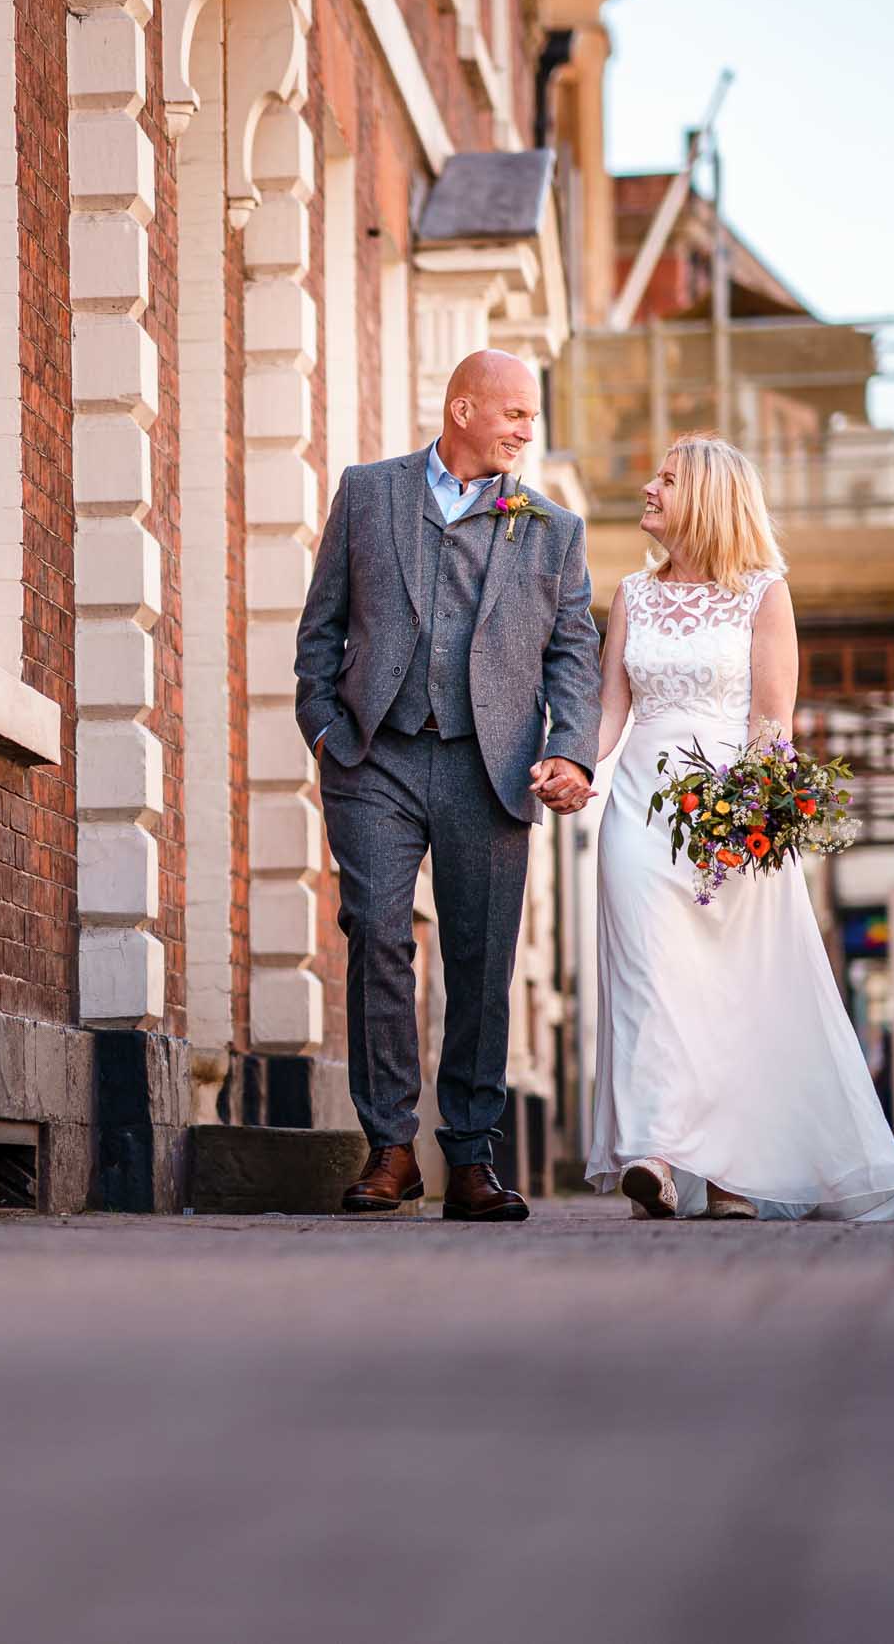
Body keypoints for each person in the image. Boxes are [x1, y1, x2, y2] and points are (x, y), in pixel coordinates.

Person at [292, 349, 601, 1222]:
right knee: (378, 933)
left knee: (480, 958)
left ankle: (470, 1156)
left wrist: (571, 750)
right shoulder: (368, 491)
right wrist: (324, 727)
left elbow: (573, 653)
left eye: (532, 418)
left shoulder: (552, 530)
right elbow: (321, 628)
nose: (526, 430)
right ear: (462, 408)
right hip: (373, 756)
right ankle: (390, 1147)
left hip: (489, 763)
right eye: (514, 413)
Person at [584, 435, 894, 1222]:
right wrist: (573, 764)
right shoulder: (632, 593)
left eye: (666, 478)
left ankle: (734, 1172)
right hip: (638, 806)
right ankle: (654, 1156)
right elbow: (609, 711)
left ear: (704, 495)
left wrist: (754, 815)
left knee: (729, 992)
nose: (648, 486)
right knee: (647, 978)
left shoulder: (763, 594)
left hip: (730, 814)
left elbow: (773, 721)